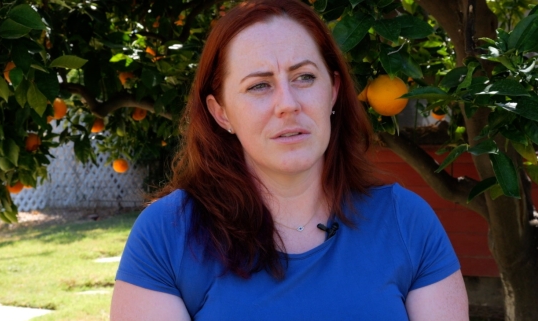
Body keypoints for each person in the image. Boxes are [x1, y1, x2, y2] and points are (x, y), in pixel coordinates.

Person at [110, 0, 468, 319]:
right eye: (259, 86)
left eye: (305, 77)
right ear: (222, 113)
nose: (288, 104)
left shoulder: (406, 223)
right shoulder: (167, 235)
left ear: (333, 92)